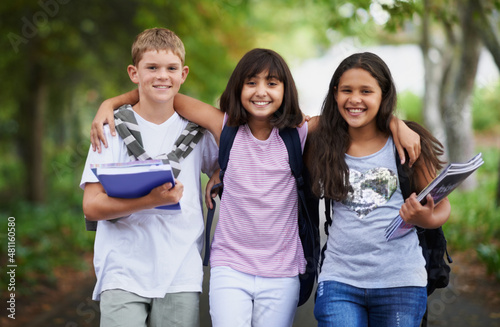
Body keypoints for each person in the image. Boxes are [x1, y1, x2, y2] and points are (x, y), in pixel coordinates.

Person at [90, 48, 422, 327]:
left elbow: (352, 112)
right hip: (229, 265)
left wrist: (396, 123)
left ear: (285, 90)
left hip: (282, 271)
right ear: (238, 88)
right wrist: (111, 103)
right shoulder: (224, 128)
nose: (261, 91)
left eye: (272, 83)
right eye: (251, 83)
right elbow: (164, 92)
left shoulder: (300, 132)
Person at [79, 28, 219, 327]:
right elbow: (91, 206)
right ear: (134, 72)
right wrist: (149, 201)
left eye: (170, 69)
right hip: (122, 269)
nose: (162, 76)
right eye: (151, 68)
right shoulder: (110, 130)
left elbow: (236, 160)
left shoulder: (198, 133)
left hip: (180, 269)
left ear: (183, 74)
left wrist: (218, 172)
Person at [307, 52, 451, 327]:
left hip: (401, 281)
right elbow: (284, 128)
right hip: (339, 280)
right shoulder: (322, 140)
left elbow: (441, 205)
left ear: (383, 95)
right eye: (346, 90)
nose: (355, 99)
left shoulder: (408, 144)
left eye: (366, 91)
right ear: (335, 93)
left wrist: (425, 218)